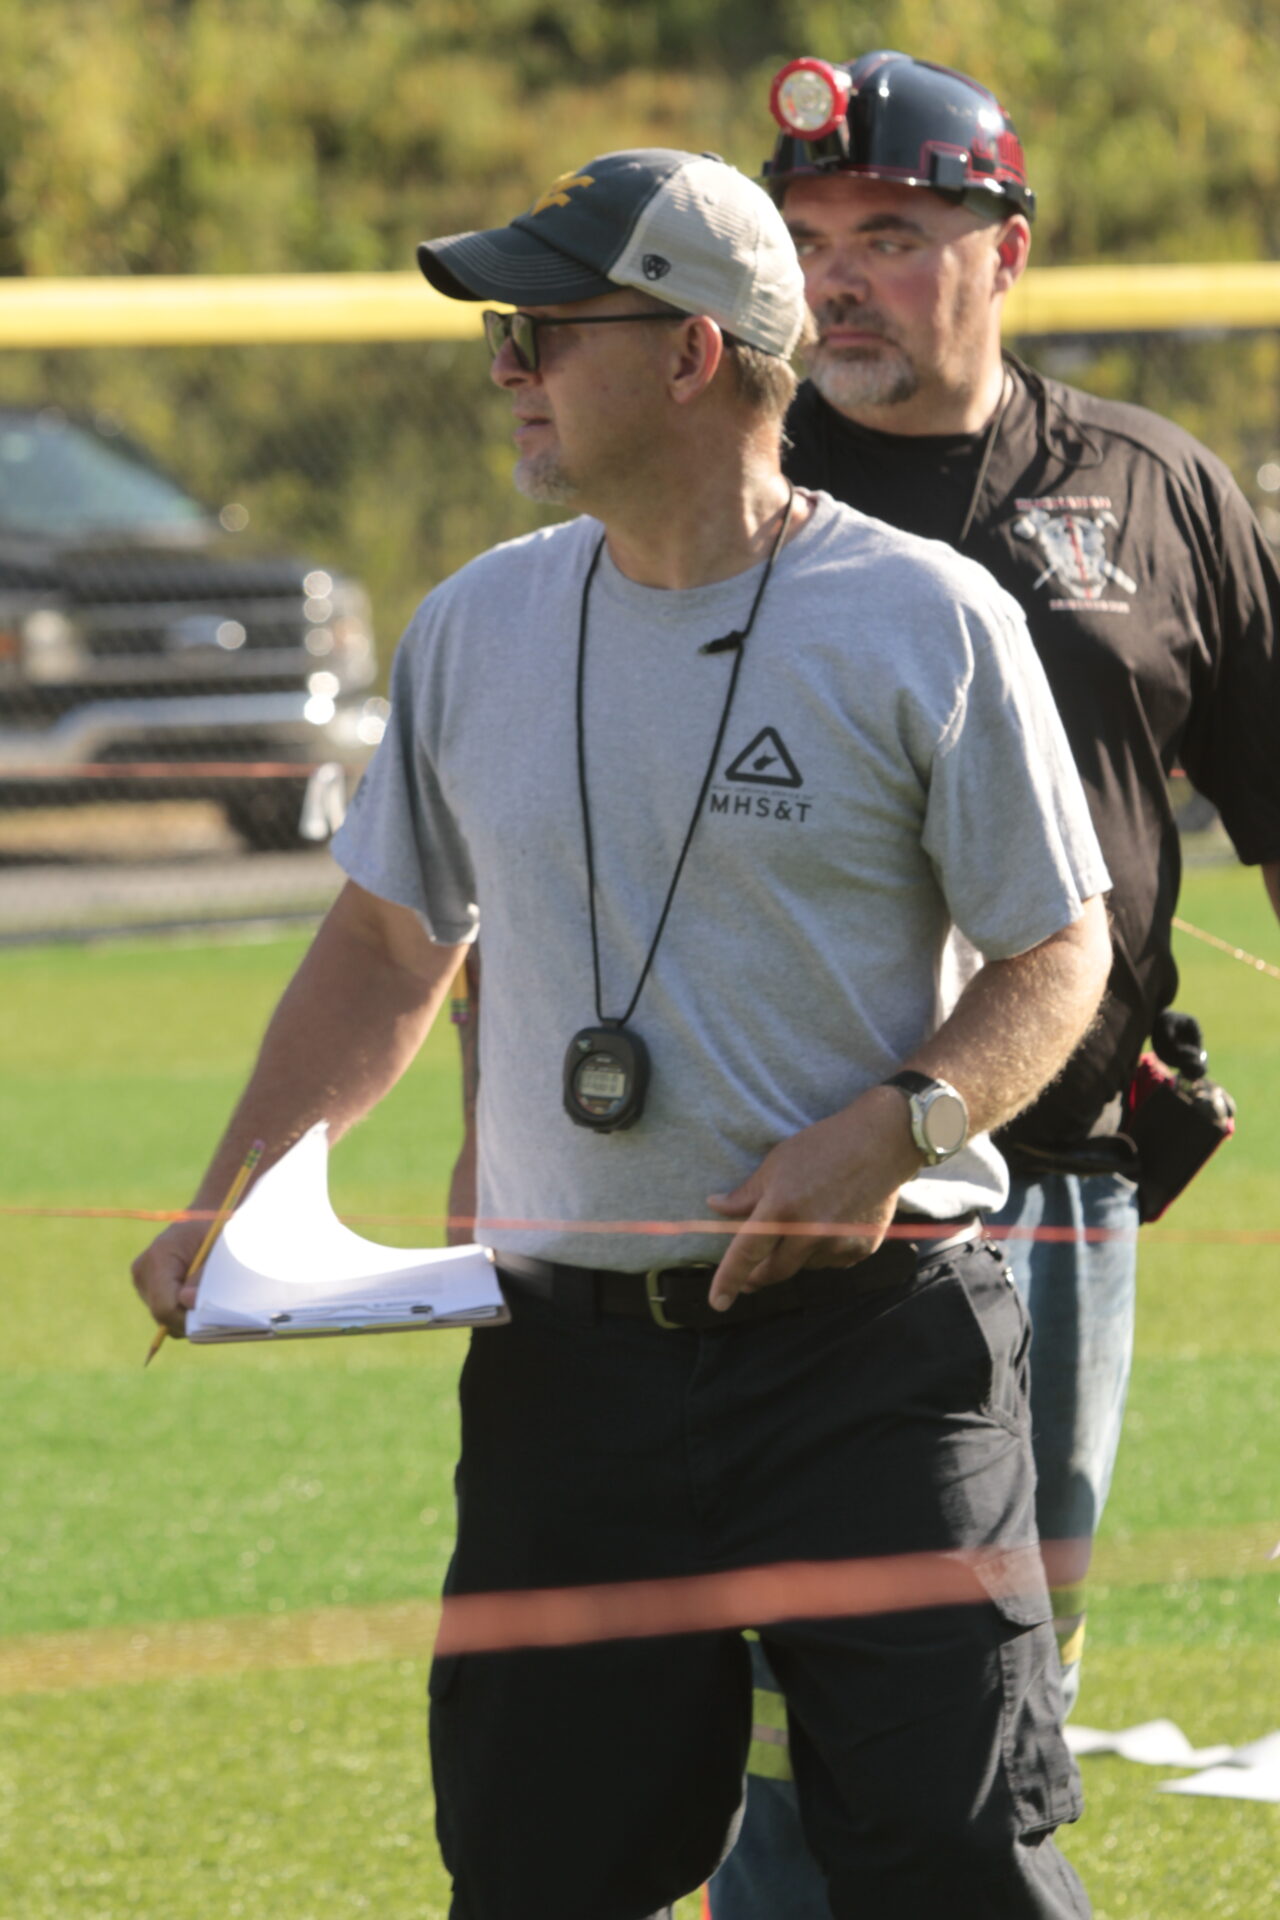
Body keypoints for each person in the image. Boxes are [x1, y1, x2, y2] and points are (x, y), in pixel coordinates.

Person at [133, 147, 1113, 1920]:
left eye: (540, 331)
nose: (506, 368)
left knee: (958, 1870)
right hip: (565, 1374)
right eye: (501, 335)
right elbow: (385, 942)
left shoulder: (926, 619)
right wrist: (232, 1198)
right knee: (539, 1879)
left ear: (691, 355)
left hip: (872, 1359)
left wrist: (896, 1127)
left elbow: (1058, 950)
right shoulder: (476, 622)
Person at [706, 49, 1280, 1920]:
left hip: (1054, 1189)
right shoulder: (728, 489)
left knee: (1003, 1705)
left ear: (1007, 250)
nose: (839, 280)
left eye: (889, 233)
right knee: (780, 1727)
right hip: (779, 1188)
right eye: (806, 242)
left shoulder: (1153, 488)